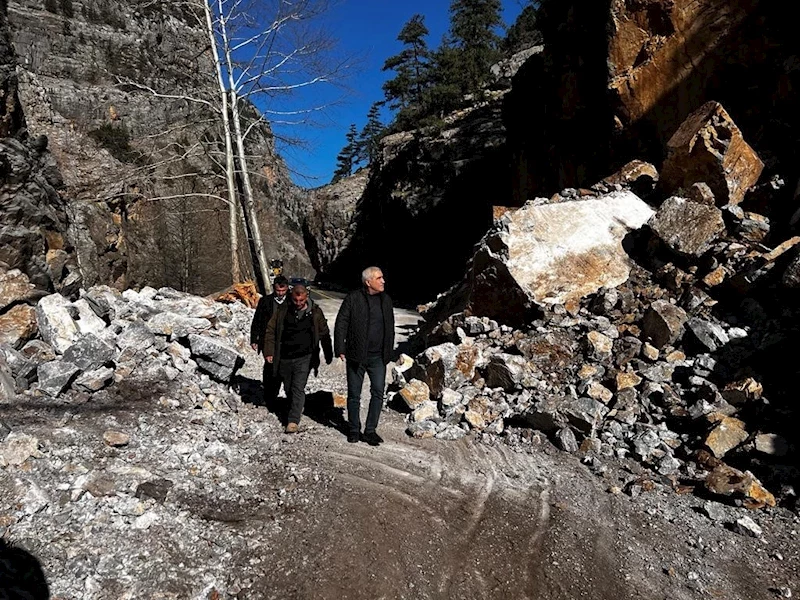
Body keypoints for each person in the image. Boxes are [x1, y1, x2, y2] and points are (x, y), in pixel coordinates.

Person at [334, 266, 395, 445]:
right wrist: (340, 348)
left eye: (382, 277)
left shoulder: (386, 300)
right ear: (368, 282)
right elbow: (341, 322)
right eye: (379, 278)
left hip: (378, 357)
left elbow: (390, 328)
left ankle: (370, 431)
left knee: (378, 392)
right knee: (354, 394)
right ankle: (353, 429)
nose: (383, 281)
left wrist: (389, 351)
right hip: (356, 355)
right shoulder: (353, 298)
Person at [264, 284, 333, 433]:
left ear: (306, 297)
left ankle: (293, 421)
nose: (298, 303)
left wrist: (328, 353)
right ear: (291, 297)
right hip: (285, 356)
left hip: (305, 357)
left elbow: (324, 333)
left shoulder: (315, 312)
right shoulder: (283, 311)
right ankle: (291, 408)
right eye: (295, 300)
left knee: (297, 387)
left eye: (301, 300)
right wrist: (269, 351)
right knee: (289, 387)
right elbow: (271, 331)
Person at [250, 275, 290, 407]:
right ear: (274, 288)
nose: (280, 294)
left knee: (284, 369)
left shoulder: (291, 301)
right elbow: (257, 320)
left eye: (283, 291)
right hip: (268, 341)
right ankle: (269, 397)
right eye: (278, 291)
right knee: (269, 369)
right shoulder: (265, 301)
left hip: (286, 342)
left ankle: (287, 396)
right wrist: (254, 338)